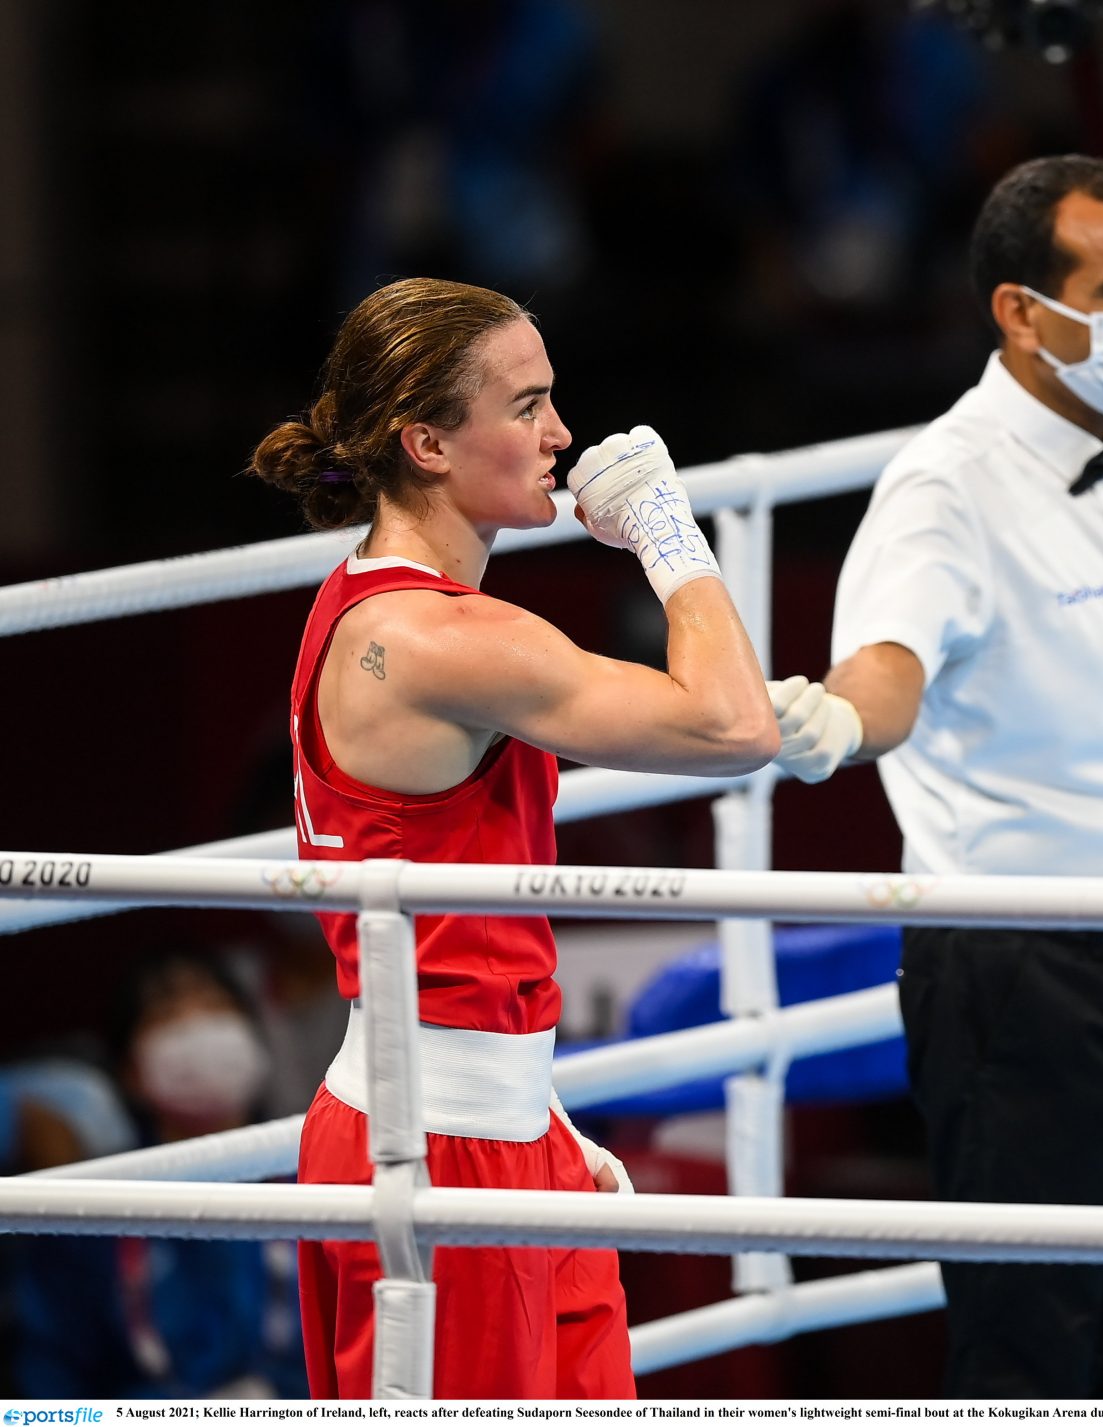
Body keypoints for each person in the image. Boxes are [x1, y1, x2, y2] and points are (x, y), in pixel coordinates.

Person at [767, 155, 1103, 1399]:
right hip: (1022, 977)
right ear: (1020, 312)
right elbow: (888, 664)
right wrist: (834, 716)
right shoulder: (944, 485)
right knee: (1031, 1353)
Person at [247, 277, 778, 1399]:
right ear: (427, 441)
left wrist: (533, 1103)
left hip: (497, 1112)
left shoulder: (374, 603)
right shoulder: (432, 637)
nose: (560, 434)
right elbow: (734, 723)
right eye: (527, 404)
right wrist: (669, 540)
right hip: (435, 1139)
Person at [10, 954, 306, 1398]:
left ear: (255, 1040)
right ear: (130, 1071)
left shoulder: (321, 1183)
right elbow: (50, 1372)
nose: (198, 1029)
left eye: (215, 1007)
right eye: (168, 1015)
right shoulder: (88, 1209)